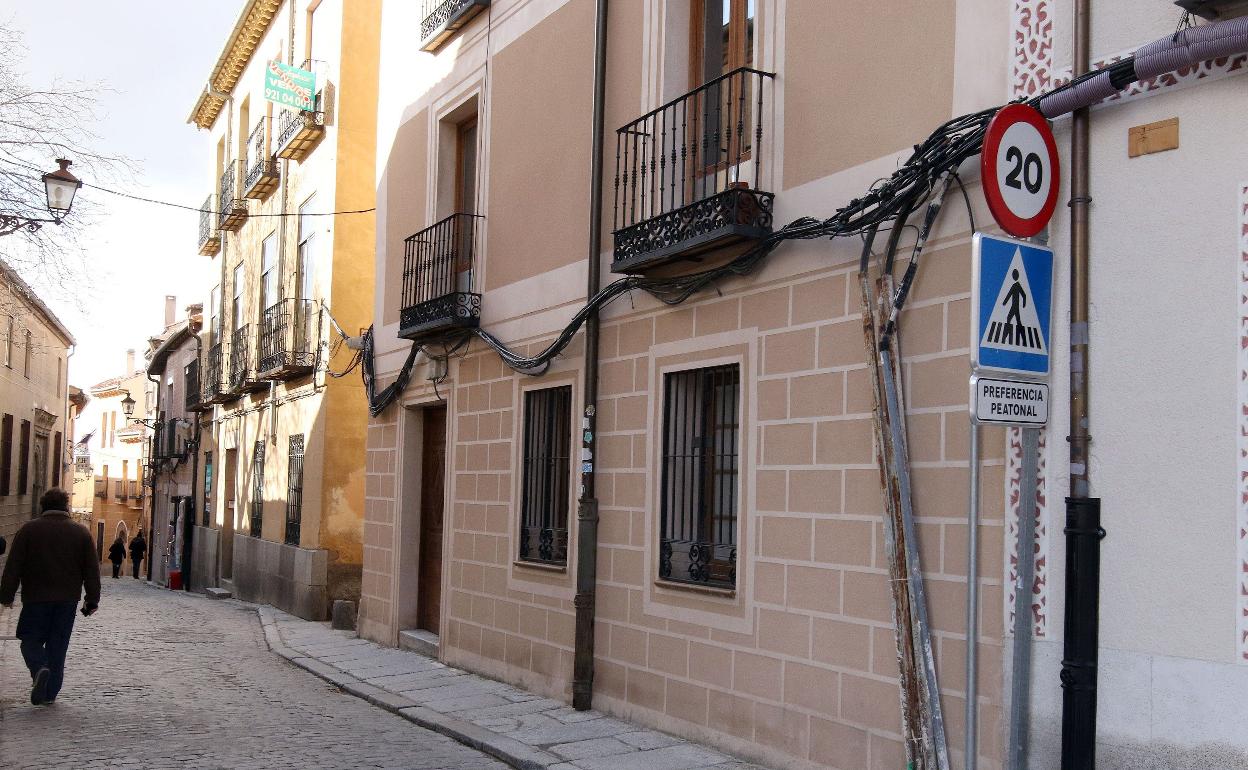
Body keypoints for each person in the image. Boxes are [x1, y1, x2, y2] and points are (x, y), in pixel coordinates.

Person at [0, 488, 100, 706]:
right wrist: (92, 599)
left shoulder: (28, 530)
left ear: (43, 507)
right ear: (66, 507)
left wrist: (6, 595)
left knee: (30, 640)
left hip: (35, 598)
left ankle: (39, 668)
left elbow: (13, 566)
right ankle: (49, 694)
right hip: (67, 601)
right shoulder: (81, 533)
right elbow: (91, 570)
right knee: (58, 646)